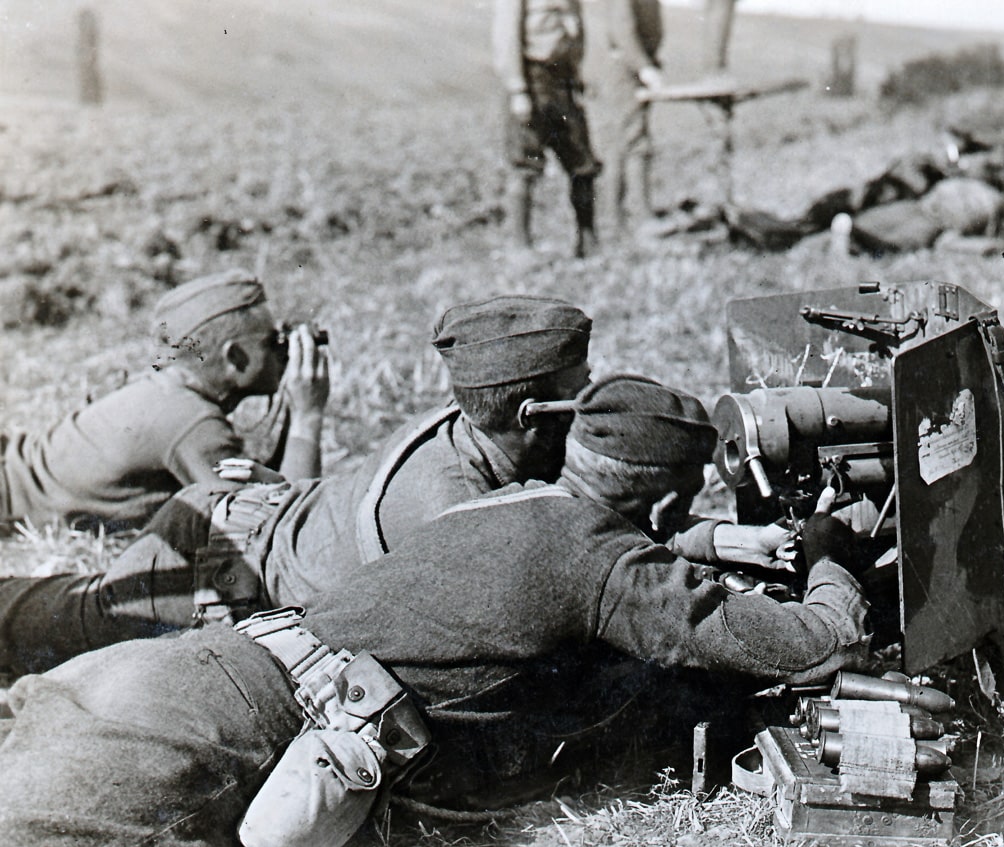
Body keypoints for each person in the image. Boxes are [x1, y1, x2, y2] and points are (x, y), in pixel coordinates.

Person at [0, 374, 870, 847]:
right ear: (670, 500)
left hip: (161, 674)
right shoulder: (600, 564)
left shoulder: (511, 501)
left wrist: (697, 544)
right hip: (204, 738)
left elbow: (567, 554)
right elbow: (823, 641)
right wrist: (831, 552)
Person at [0, 295, 595, 675]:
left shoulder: (459, 423)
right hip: (222, 565)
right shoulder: (456, 502)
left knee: (70, 601)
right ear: (532, 414)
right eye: (579, 389)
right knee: (64, 619)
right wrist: (306, 417)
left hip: (238, 537)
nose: (588, 403)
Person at [0, 269, 329, 533]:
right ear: (235, 357)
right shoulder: (193, 424)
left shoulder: (168, 390)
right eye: (272, 342)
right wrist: (307, 415)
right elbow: (283, 527)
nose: (283, 350)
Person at [493, 0, 601, 257]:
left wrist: (576, 75)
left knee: (582, 162)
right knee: (525, 164)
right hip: (532, 78)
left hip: (562, 80)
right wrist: (517, 88)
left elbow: (574, 28)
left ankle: (588, 242)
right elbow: (506, 35)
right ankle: (520, 246)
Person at [598, 0, 664, 239]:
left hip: (634, 67)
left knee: (629, 140)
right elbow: (622, 29)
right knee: (630, 142)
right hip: (624, 70)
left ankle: (625, 218)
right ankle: (632, 218)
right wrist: (643, 66)